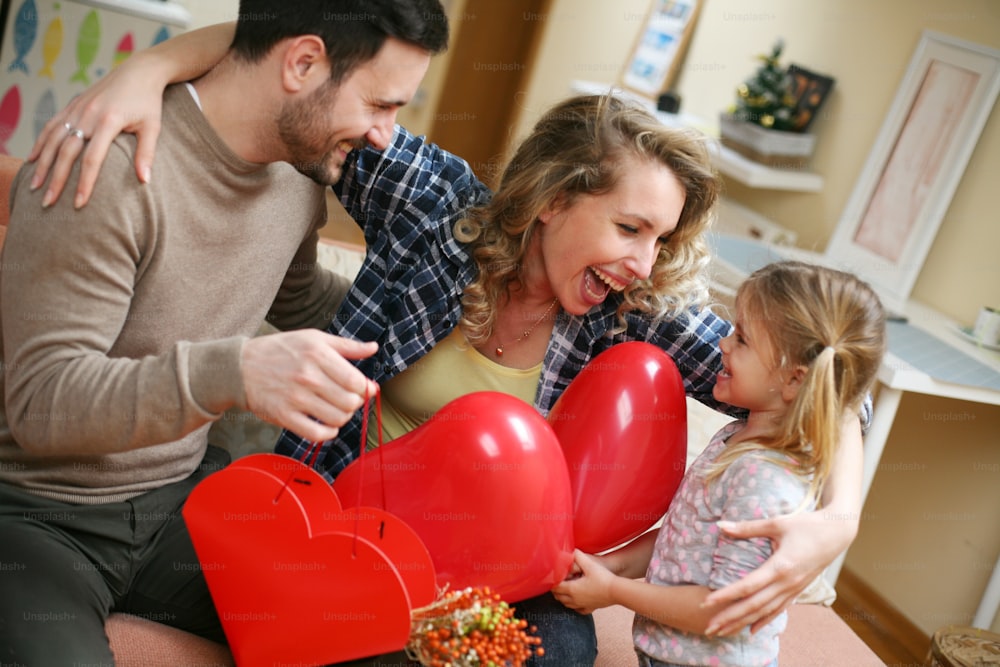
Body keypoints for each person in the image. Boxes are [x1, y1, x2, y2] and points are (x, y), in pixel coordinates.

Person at [28, 39, 869, 667]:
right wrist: (151, 67)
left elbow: (827, 378)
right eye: (629, 227)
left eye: (660, 239)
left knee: (561, 649)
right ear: (551, 200)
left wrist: (840, 517)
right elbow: (310, 81)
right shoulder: (437, 204)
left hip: (482, 571)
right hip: (337, 524)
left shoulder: (631, 313)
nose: (644, 262)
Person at [0, 1, 448, 662]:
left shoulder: (299, 178)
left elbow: (297, 298)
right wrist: (234, 371)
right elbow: (42, 404)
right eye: (380, 104)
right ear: (301, 63)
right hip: (39, 515)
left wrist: (439, 327)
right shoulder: (111, 166)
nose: (386, 134)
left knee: (376, 636)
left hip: (184, 503)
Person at [551, 261, 886, 667]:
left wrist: (613, 591)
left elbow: (717, 611)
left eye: (741, 339)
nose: (723, 345)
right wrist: (610, 567)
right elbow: (684, 538)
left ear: (795, 380)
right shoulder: (734, 437)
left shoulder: (765, 483)